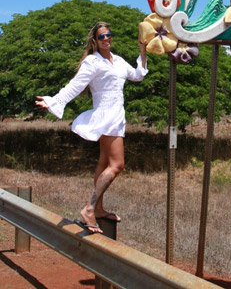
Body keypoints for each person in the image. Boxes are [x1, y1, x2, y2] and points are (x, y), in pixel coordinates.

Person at [36, 22, 148, 234]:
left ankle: (98, 208)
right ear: (95, 41)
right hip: (106, 116)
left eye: (108, 35)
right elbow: (75, 85)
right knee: (118, 164)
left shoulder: (119, 61)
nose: (106, 38)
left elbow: (138, 75)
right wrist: (54, 101)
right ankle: (89, 208)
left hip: (116, 115)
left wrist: (142, 51)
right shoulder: (92, 62)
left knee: (104, 162)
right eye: (101, 36)